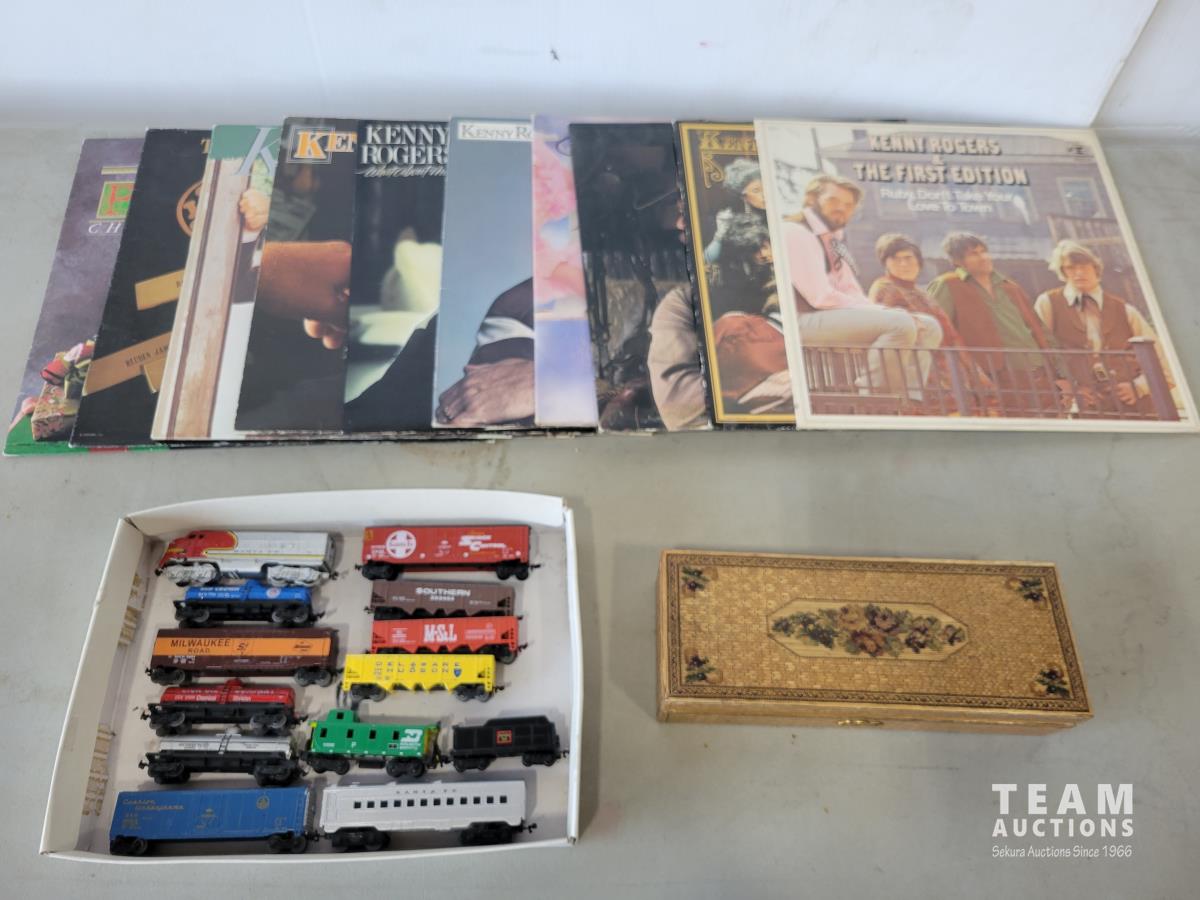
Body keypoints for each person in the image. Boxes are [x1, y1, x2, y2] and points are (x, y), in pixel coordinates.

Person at [785, 174, 941, 398]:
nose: (842, 208)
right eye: (833, 200)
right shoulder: (796, 232)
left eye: (849, 205)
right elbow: (820, 297)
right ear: (811, 199)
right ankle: (875, 395)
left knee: (929, 326)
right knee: (900, 324)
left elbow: (852, 291)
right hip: (798, 319)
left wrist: (884, 312)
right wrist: (890, 314)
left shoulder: (833, 241)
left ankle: (909, 399)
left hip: (826, 317)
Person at [927, 232, 1065, 415]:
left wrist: (1061, 372)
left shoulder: (1010, 286)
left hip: (1040, 373)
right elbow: (939, 333)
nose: (983, 257)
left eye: (983, 251)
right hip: (995, 377)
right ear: (958, 261)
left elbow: (1039, 329)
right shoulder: (948, 285)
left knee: (1050, 426)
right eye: (973, 254)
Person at [1033, 240, 1175, 416]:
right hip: (1082, 408)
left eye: (1084, 267)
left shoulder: (1124, 310)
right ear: (1062, 272)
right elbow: (1037, 352)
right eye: (1071, 268)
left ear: (1096, 269)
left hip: (1134, 408)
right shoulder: (1048, 303)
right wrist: (1066, 387)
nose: (1079, 273)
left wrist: (1139, 387)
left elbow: (1161, 360)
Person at [704, 158, 767, 263]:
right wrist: (720, 234)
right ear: (743, 197)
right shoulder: (728, 219)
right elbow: (707, 260)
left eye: (765, 188)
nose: (765, 195)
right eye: (756, 190)